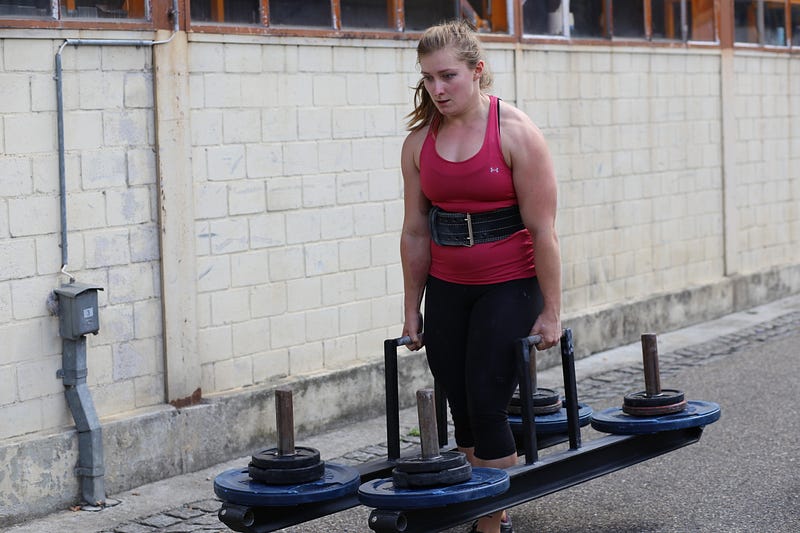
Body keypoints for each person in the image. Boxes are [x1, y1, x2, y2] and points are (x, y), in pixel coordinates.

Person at [399, 20, 562, 533]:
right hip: (449, 285)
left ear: (478, 71)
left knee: (487, 400)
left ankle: (492, 523)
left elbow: (543, 231)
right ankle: (480, 505)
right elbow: (415, 233)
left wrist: (552, 309)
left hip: (510, 282)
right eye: (428, 78)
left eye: (447, 75)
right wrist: (411, 307)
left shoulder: (515, 133)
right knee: (460, 404)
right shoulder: (419, 143)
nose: (437, 89)